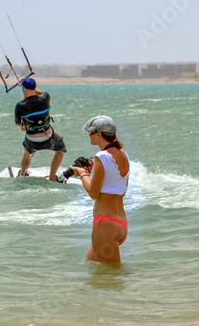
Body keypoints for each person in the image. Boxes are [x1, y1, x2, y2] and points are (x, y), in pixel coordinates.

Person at [70, 116, 130, 263]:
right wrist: (94, 172)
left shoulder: (101, 157)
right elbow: (118, 187)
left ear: (99, 134)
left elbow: (93, 193)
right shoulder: (123, 155)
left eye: (90, 132)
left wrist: (82, 173)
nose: (89, 135)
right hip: (120, 223)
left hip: (105, 225)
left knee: (114, 276)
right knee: (90, 267)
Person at [14, 77, 67, 182]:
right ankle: (52, 177)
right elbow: (41, 93)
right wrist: (27, 82)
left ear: (24, 89)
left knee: (27, 154)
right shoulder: (46, 98)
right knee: (60, 151)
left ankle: (22, 174)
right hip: (49, 138)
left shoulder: (20, 106)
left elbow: (18, 123)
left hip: (32, 140)